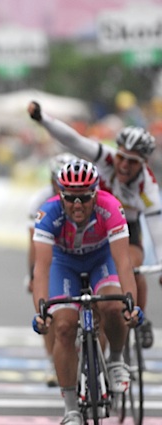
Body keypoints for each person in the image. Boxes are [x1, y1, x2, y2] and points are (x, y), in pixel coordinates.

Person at [28, 101, 160, 349]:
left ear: (143, 163)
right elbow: (73, 140)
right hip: (92, 221)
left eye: (132, 162)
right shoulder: (106, 159)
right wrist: (42, 118)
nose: (123, 165)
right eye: (121, 157)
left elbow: (157, 231)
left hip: (125, 226)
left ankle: (136, 318)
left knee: (131, 265)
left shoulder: (148, 188)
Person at [32, 159, 142, 425]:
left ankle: (115, 359)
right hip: (64, 264)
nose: (77, 204)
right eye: (70, 198)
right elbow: (42, 270)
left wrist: (131, 305)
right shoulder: (48, 214)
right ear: (60, 195)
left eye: (83, 197)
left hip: (100, 260)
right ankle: (70, 408)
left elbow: (124, 263)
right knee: (64, 327)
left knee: (113, 307)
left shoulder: (110, 207)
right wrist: (41, 311)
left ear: (95, 193)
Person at [26, 152, 78, 387]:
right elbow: (34, 245)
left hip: (86, 254)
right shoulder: (41, 202)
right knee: (49, 311)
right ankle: (51, 360)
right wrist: (32, 274)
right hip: (56, 256)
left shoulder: (84, 199)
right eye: (57, 180)